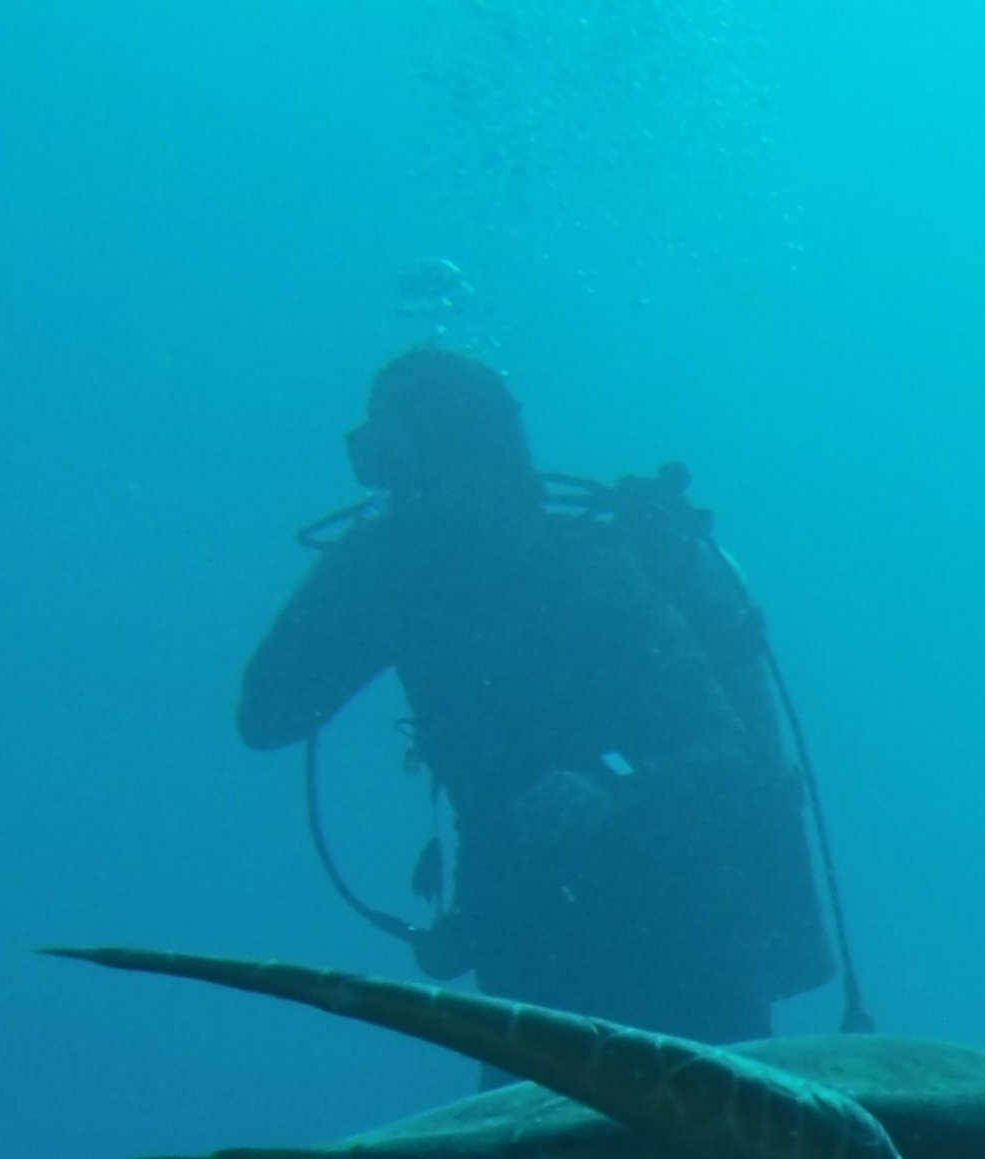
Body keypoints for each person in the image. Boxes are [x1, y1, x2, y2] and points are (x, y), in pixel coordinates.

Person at [235, 348, 835, 1042]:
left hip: (680, 938)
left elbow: (728, 752)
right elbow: (267, 715)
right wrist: (354, 578)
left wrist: (609, 786)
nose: (379, 477)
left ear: (454, 450)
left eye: (392, 450)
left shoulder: (590, 571)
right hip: (526, 949)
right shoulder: (393, 580)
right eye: (371, 454)